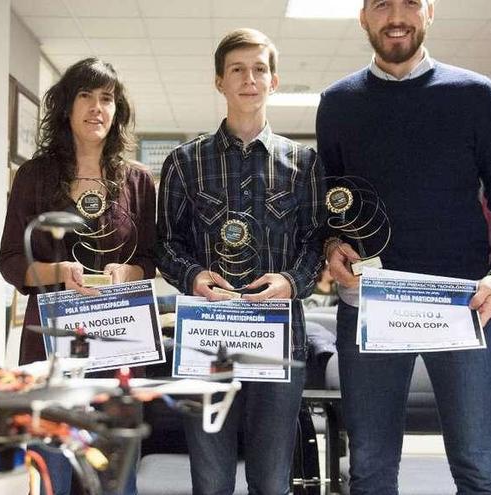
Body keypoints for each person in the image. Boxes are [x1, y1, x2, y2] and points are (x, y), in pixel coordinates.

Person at [315, 1, 491, 494]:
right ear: (363, 16)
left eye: (410, 2)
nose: (397, 15)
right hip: (369, 304)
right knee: (369, 470)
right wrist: (331, 244)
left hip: (464, 306)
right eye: (382, 4)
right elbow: (326, 204)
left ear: (430, 12)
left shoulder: (475, 94)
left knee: (480, 468)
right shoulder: (338, 101)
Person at [156, 28, 325, 494]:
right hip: (208, 338)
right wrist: (192, 277)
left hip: (278, 339)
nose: (249, 78)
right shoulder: (184, 162)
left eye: (259, 69)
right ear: (219, 82)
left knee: (272, 482)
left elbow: (316, 243)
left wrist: (292, 282)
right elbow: (165, 245)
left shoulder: (304, 163)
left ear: (274, 81)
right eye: (237, 70)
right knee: (210, 482)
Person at [0, 58, 155, 495]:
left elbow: (150, 258)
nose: (96, 107)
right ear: (66, 106)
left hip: (119, 344)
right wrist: (55, 271)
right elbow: (11, 260)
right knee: (53, 473)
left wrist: (130, 271)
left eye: (106, 98)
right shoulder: (34, 175)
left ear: (117, 110)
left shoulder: (138, 181)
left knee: (114, 479)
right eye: (85, 95)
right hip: (50, 345)